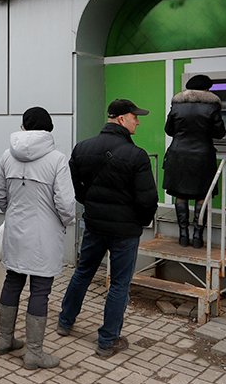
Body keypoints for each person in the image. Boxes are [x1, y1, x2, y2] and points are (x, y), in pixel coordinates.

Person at [58, 99, 158, 357]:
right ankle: (107, 340)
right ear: (122, 119)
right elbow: (148, 199)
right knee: (119, 284)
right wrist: (140, 221)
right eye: (135, 117)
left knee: (82, 272)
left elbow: (73, 187)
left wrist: (90, 203)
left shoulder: (83, 148)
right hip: (125, 231)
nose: (138, 121)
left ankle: (65, 322)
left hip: (94, 223)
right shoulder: (136, 155)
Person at [0, 107, 75, 370]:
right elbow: (66, 204)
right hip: (44, 234)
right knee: (40, 289)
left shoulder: (7, 155)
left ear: (24, 127)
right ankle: (34, 354)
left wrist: (14, 214)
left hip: (15, 230)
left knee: (12, 280)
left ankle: (4, 340)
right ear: (49, 128)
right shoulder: (57, 159)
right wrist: (64, 222)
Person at [163, 74, 226, 248]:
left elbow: (169, 130)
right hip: (202, 157)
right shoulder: (212, 106)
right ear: (207, 89)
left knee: (180, 195)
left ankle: (183, 236)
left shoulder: (177, 105)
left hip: (178, 155)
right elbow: (220, 133)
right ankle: (197, 237)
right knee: (202, 196)